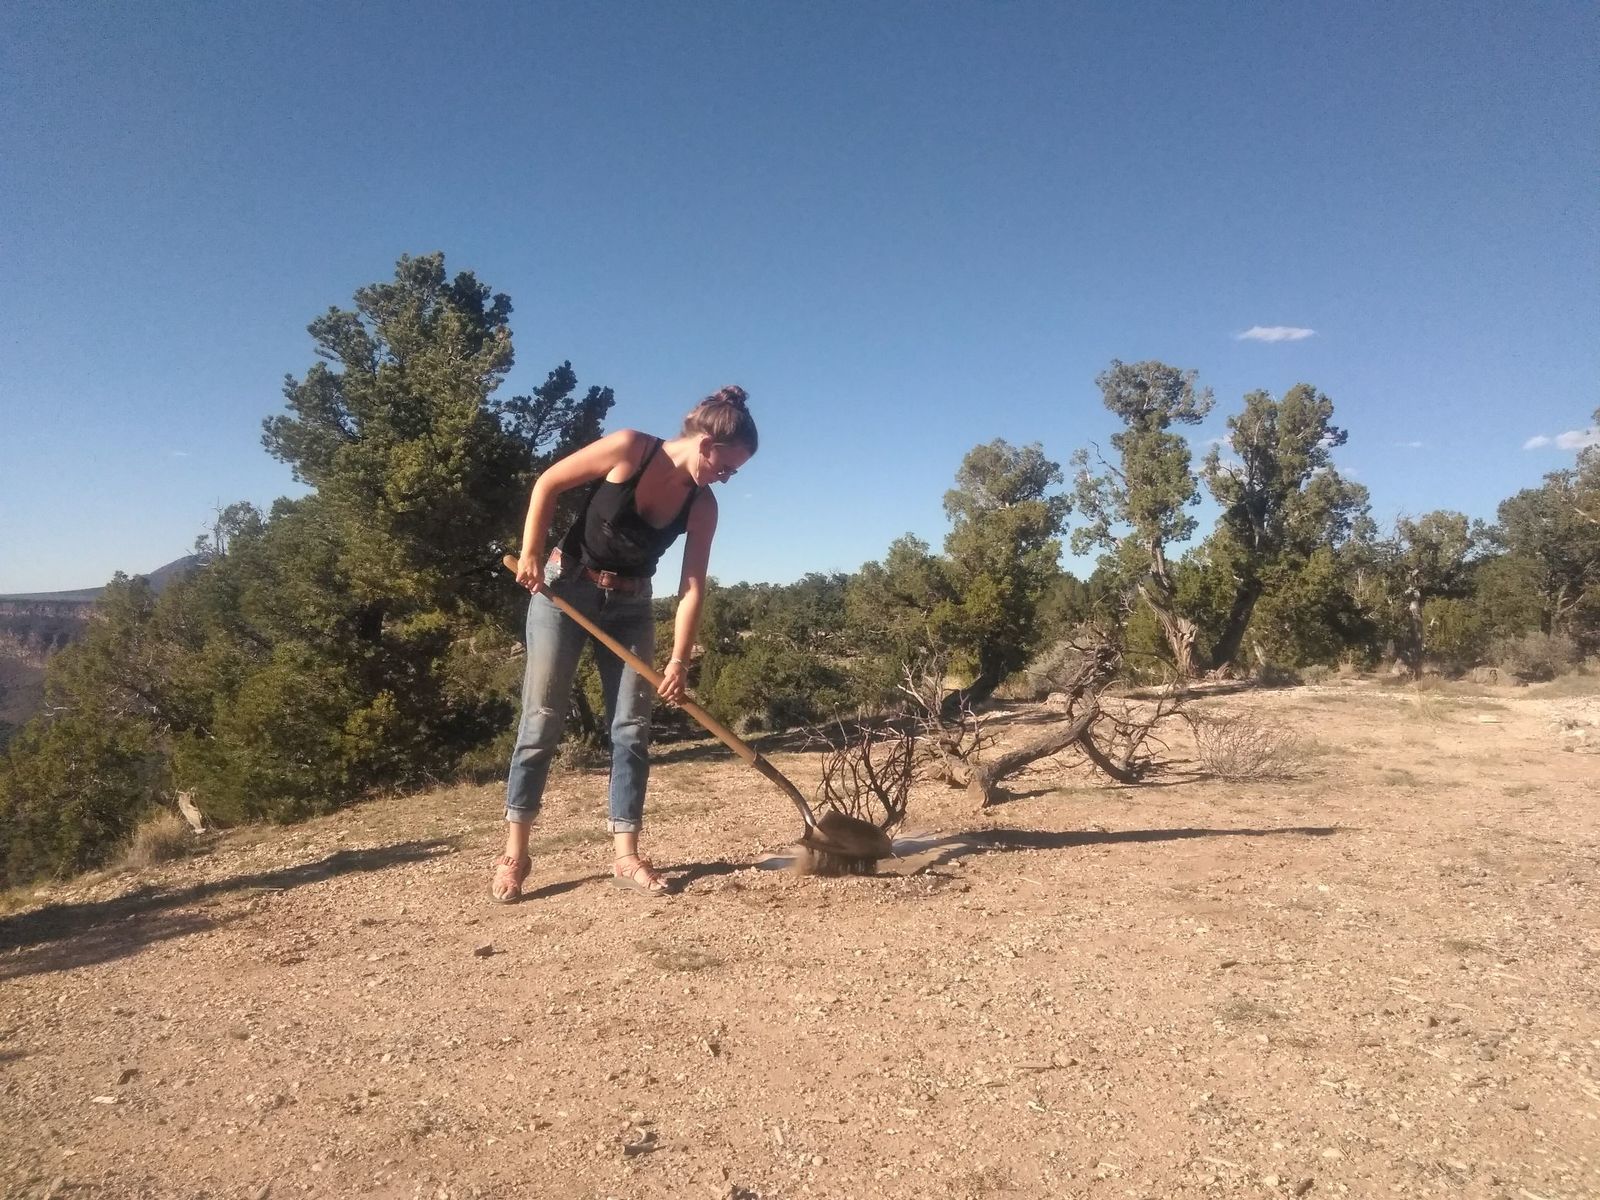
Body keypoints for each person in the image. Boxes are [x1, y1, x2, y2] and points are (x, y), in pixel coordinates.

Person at [493, 385, 757, 902]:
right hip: (562, 592)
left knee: (632, 728)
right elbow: (547, 484)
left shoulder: (702, 505)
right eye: (726, 467)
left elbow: (692, 587)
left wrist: (678, 660)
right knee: (542, 719)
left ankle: (626, 855)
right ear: (706, 445)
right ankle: (515, 854)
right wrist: (530, 552)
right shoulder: (630, 448)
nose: (726, 478)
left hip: (632, 607)